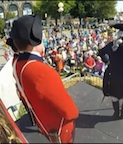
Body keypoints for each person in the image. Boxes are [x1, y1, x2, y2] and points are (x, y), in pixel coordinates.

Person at [10, 15, 79, 143]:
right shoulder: (41, 71)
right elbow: (70, 111)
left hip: (42, 122)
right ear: (36, 39)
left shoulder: (17, 63)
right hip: (60, 127)